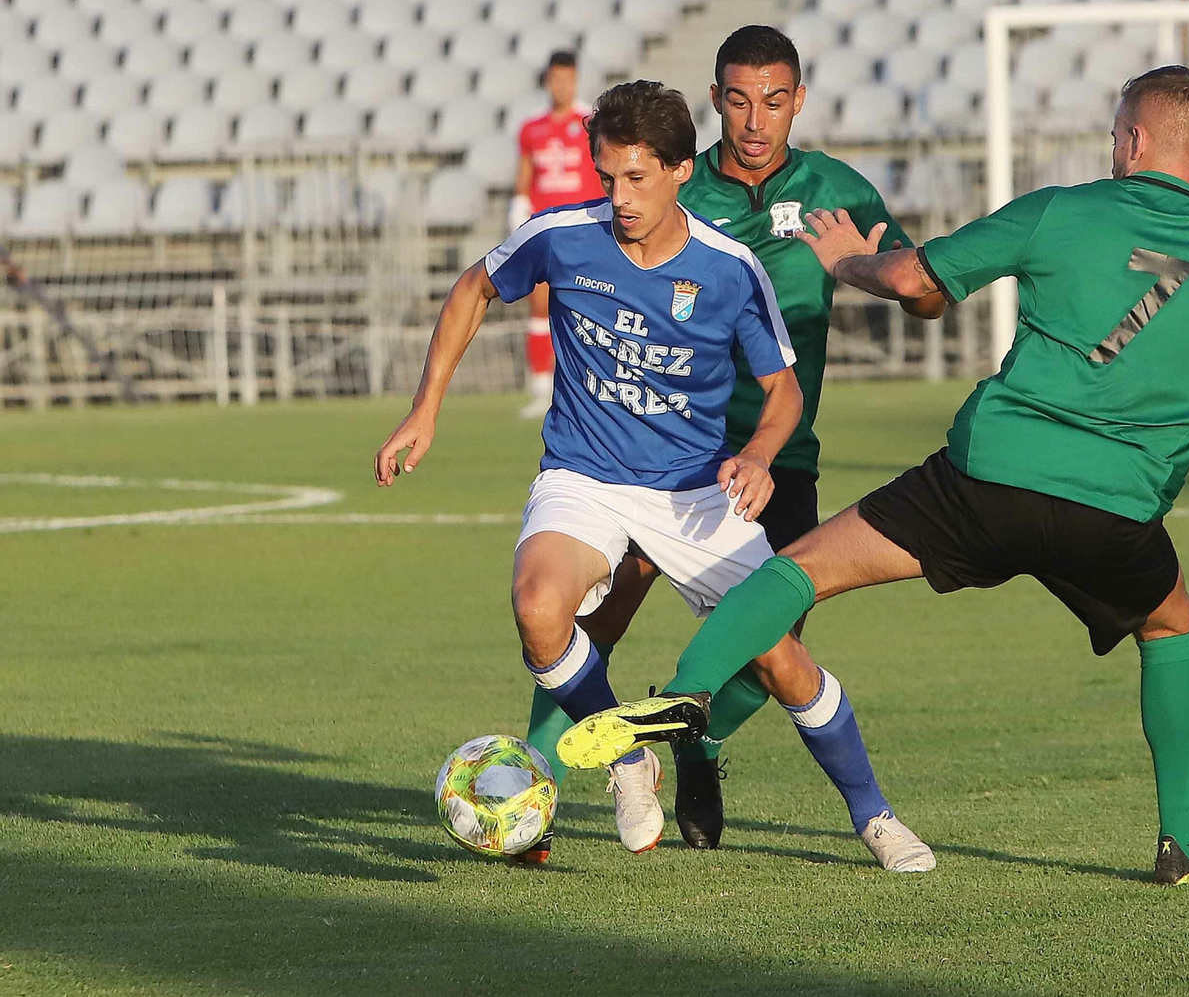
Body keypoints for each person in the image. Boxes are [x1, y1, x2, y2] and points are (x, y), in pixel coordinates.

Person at [559, 66, 1189, 886]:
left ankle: (689, 693)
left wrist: (847, 263)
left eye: (1114, 134)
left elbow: (913, 279)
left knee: (799, 570)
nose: (1111, 147)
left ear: (1135, 139)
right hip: (1114, 510)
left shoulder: (1062, 210)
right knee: (1168, 626)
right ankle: (1181, 847)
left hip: (984, 482)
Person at [374, 80, 933, 872]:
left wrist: (759, 455)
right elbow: (474, 287)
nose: (620, 198)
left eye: (637, 178)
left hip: (695, 492)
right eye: (608, 178)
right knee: (538, 608)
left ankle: (875, 816)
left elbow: (783, 390)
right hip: (584, 477)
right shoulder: (563, 236)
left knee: (781, 662)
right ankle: (629, 758)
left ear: (678, 170)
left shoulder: (730, 268)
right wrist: (425, 409)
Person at [522, 24, 943, 851]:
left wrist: (862, 268)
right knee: (594, 615)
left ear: (799, 101)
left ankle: (698, 740)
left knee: (774, 648)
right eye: (740, 101)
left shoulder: (838, 193)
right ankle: (536, 791)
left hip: (778, 456)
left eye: (774, 102)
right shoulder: (669, 180)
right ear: (716, 100)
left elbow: (926, 294)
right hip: (661, 452)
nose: (756, 121)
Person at [509, 51, 605, 420]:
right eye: (555, 79)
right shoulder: (531, 128)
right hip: (545, 228)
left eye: (567, 79)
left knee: (587, 305)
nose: (561, 86)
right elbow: (525, 173)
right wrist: (519, 205)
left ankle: (589, 385)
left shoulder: (591, 123)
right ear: (547, 81)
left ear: (575, 80)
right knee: (539, 304)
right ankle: (541, 388)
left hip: (585, 226)